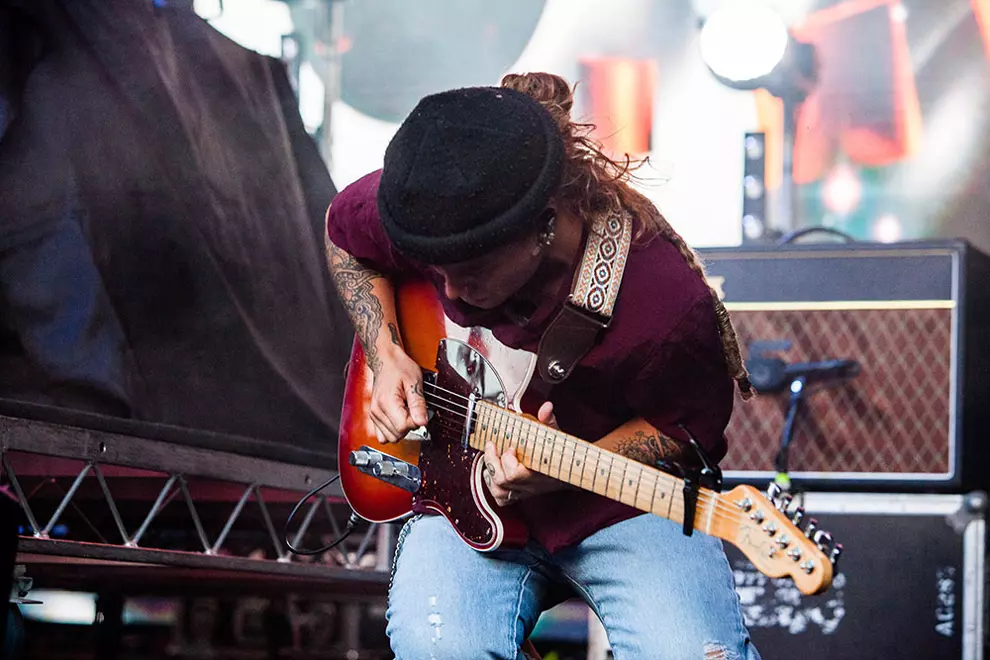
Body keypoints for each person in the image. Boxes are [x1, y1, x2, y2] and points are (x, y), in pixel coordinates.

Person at [325, 71, 760, 660]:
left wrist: (566, 469)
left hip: (623, 505)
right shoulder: (431, 204)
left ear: (545, 224)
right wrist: (384, 352)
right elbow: (344, 235)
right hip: (462, 492)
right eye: (435, 268)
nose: (450, 292)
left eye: (471, 269)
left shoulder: (667, 301)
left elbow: (681, 433)